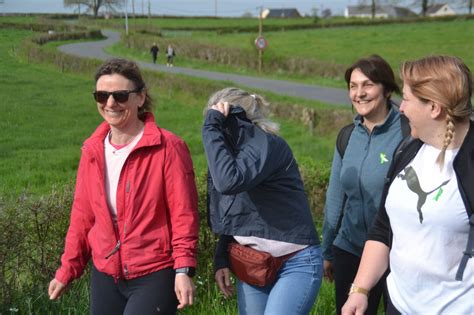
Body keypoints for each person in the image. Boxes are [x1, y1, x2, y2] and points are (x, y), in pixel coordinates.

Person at [48, 58, 199, 314]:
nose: (109, 103)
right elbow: (83, 217)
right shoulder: (92, 150)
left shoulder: (169, 148)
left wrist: (183, 269)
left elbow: (184, 214)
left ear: (140, 97)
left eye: (119, 95)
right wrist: (67, 270)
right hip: (105, 273)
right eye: (101, 95)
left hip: (154, 271)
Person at [342, 55, 474, 315]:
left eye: (407, 99)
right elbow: (383, 227)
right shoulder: (409, 149)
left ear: (434, 107)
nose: (400, 108)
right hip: (399, 306)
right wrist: (360, 289)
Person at [202, 87, 323, 315]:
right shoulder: (230, 154)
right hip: (255, 264)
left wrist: (210, 129)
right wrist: (221, 259)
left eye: (217, 118)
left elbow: (229, 183)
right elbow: (230, 207)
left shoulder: (268, 146)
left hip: (296, 262)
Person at [321, 55, 407, 315]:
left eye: (367, 85)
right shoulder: (347, 136)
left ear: (387, 89)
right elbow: (335, 196)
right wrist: (327, 250)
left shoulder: (407, 133)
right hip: (350, 248)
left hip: (397, 252)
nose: (359, 93)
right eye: (353, 86)